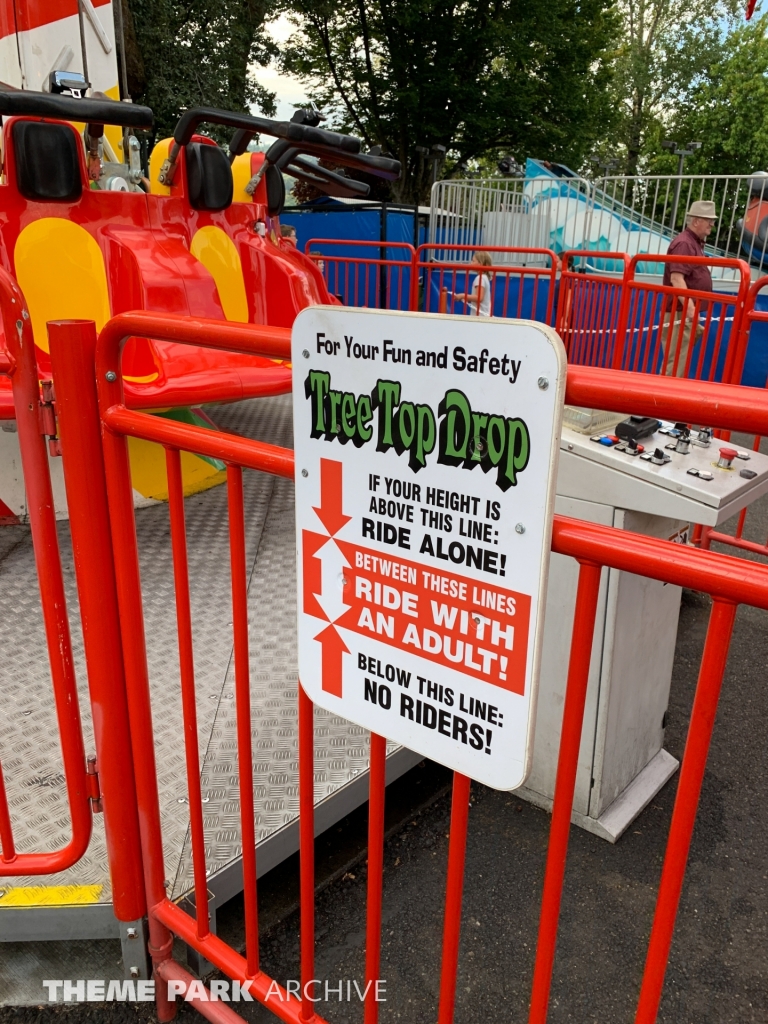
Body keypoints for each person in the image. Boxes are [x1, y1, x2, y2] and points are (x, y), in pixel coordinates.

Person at [661, 199, 716, 375]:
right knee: (675, 360)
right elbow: (677, 279)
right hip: (680, 311)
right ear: (696, 221)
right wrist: (691, 310)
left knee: (677, 358)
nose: (712, 225)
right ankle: (665, 398)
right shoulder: (685, 243)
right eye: (709, 221)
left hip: (683, 310)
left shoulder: (693, 243)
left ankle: (666, 395)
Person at [452, 251, 493, 317]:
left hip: (480, 316)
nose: (471, 263)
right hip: (482, 315)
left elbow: (479, 297)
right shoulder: (484, 277)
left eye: (473, 261)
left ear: (480, 263)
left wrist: (462, 296)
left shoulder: (480, 278)